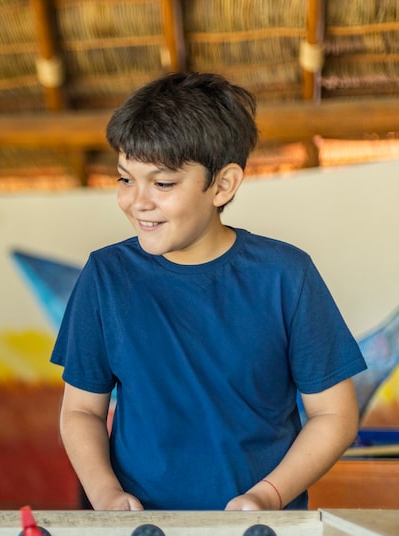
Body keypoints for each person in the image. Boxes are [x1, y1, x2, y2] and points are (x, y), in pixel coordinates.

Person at [51, 72, 366, 511]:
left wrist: (266, 497)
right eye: (125, 179)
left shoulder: (285, 275)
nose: (136, 201)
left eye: (162, 184)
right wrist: (105, 495)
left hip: (258, 534)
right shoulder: (107, 275)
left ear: (222, 185)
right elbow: (82, 410)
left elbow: (335, 416)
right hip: (137, 534)